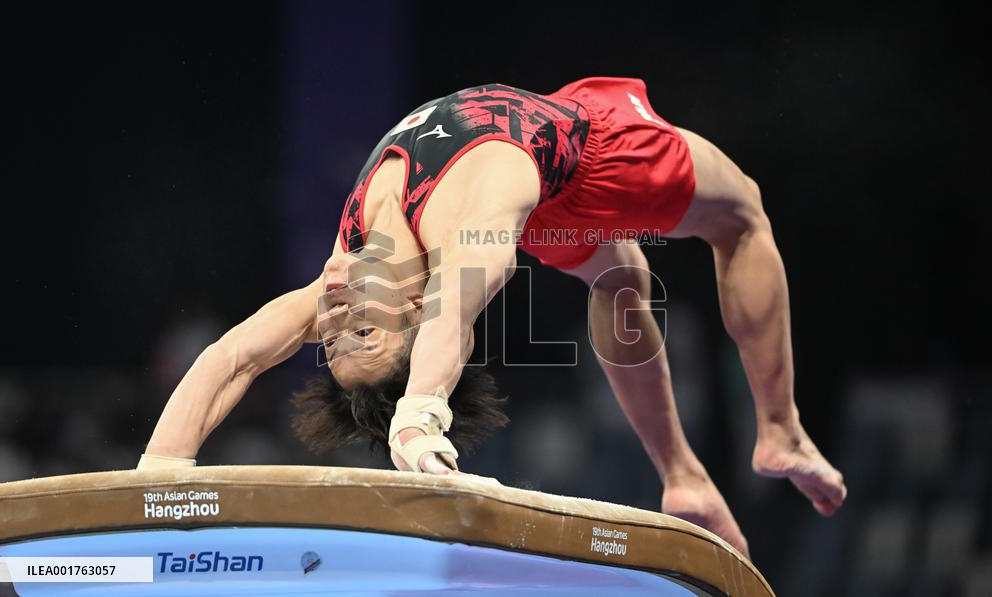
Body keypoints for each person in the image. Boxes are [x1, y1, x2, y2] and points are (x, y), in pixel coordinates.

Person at [139, 77, 847, 557]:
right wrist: (418, 416)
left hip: (542, 168)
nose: (333, 309)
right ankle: (779, 432)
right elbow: (457, 307)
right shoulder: (459, 245)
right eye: (362, 327)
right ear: (411, 308)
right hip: (595, 157)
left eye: (330, 337)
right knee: (743, 212)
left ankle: (684, 475)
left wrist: (158, 468)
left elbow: (229, 357)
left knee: (623, 276)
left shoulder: (349, 265)